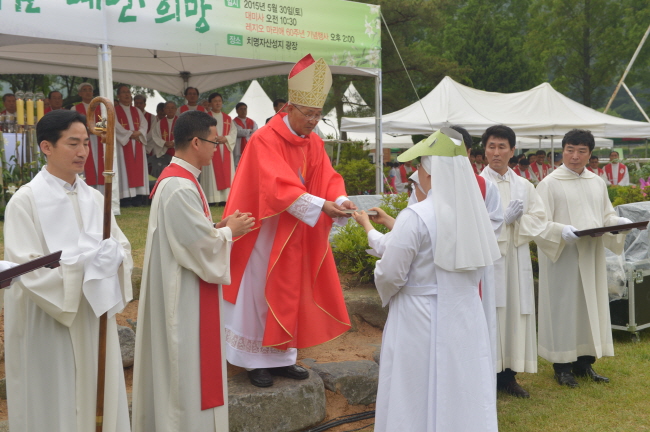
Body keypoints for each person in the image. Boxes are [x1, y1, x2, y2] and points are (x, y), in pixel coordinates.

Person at [222, 54, 356, 388]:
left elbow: (327, 177)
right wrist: (321, 205)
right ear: (290, 108)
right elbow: (276, 186)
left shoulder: (313, 142)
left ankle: (283, 357)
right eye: (308, 114)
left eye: (318, 114)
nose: (313, 121)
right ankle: (254, 360)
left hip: (295, 231)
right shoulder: (264, 139)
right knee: (260, 291)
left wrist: (340, 200)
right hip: (263, 231)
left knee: (290, 290)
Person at [4, 110, 132, 432]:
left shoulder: (95, 198)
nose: (83, 152)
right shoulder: (25, 201)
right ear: (46, 147)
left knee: (96, 393)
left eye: (86, 143)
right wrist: (85, 268)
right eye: (73, 143)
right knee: (56, 398)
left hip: (92, 314)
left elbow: (122, 247)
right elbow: (28, 269)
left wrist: (113, 258)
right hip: (51, 321)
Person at [132, 110, 254, 432]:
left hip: (187, 288)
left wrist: (218, 226)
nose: (217, 148)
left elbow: (189, 234)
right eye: (214, 142)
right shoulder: (179, 186)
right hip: (185, 297)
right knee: (186, 366)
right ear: (197, 142)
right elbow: (198, 247)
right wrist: (229, 232)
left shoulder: (181, 179)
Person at [371, 127, 500, 432]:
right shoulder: (475, 215)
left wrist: (385, 283)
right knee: (462, 383)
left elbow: (391, 272)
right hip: (465, 313)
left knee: (414, 386)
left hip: (419, 313)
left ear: (429, 172)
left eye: (419, 166)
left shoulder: (416, 215)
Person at [536, 129, 631, 388]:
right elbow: (538, 222)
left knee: (590, 307)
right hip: (563, 257)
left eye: (581, 151)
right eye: (570, 150)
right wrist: (560, 230)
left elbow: (605, 216)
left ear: (590, 154)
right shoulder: (550, 183)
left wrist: (618, 223)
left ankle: (584, 362)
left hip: (591, 255)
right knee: (565, 308)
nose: (575, 156)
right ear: (563, 151)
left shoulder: (596, 182)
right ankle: (562, 366)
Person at [480, 125, 547, 398]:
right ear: (484, 150)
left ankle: (508, 376)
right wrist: (500, 222)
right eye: (491, 146)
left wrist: (518, 222)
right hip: (489, 260)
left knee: (514, 313)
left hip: (516, 260)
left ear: (512, 151)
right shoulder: (476, 184)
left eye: (502, 147)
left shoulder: (524, 186)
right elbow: (468, 225)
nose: (496, 152)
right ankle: (485, 374)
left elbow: (539, 218)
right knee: (490, 314)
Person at [114, 84, 149, 207]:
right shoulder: (114, 110)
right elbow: (115, 125)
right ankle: (125, 198)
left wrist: (139, 133)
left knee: (138, 169)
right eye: (124, 92)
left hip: (137, 142)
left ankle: (138, 197)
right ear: (118, 96)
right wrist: (129, 134)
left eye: (128, 92)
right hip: (123, 144)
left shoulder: (137, 110)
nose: (127, 94)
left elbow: (144, 124)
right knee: (124, 168)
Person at [202, 92, 238, 204]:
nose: (218, 103)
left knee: (226, 173)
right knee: (212, 174)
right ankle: (212, 199)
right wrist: (213, 138)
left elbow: (233, 132)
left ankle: (225, 199)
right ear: (210, 103)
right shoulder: (205, 117)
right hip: (211, 148)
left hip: (225, 147)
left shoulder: (228, 118)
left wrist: (226, 138)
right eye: (215, 101)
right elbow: (201, 132)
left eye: (219, 101)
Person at [71, 82, 104, 192]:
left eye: (90, 90)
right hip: (84, 140)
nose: (88, 92)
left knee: (100, 164)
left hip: (99, 140)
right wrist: (87, 130)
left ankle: (101, 192)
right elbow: (73, 125)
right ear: (80, 93)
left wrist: (99, 129)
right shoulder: (75, 108)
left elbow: (106, 123)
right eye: (84, 90)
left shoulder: (101, 109)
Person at [149, 101, 177, 177]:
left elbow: (185, 135)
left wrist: (174, 142)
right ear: (164, 110)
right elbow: (155, 136)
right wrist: (164, 143)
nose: (170, 110)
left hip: (177, 151)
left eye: (172, 108)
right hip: (164, 152)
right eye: (168, 108)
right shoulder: (159, 123)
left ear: (176, 109)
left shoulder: (180, 122)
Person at [233, 102, 258, 167]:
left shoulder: (252, 122)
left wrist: (246, 132)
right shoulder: (233, 122)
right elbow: (237, 132)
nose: (243, 111)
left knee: (250, 165)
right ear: (237, 111)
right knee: (238, 166)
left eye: (245, 109)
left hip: (250, 147)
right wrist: (249, 131)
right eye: (241, 109)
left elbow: (256, 133)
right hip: (238, 148)